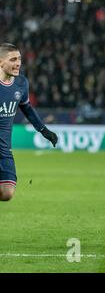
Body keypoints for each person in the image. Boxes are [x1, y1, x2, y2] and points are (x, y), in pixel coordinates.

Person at [0, 43, 58, 201]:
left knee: (7, 193)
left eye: (19, 59)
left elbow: (27, 108)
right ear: (1, 62)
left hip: (4, 150)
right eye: (13, 59)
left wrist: (44, 131)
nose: (18, 63)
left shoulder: (21, 83)